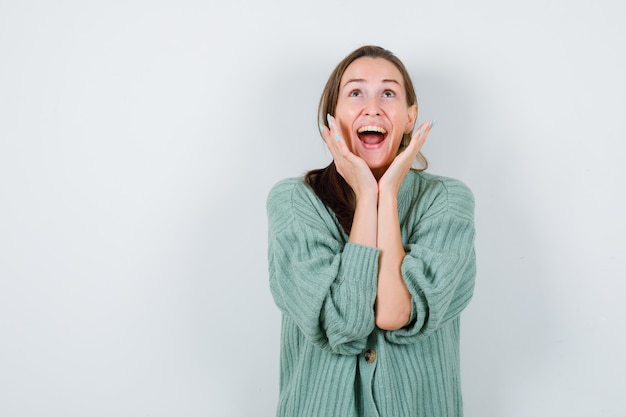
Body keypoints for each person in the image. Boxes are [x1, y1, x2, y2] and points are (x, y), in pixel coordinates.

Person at [266, 45, 476, 417]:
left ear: (410, 117)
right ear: (333, 116)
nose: (373, 107)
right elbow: (345, 325)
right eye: (356, 92)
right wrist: (367, 196)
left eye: (389, 93)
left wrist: (388, 196)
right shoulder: (293, 202)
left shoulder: (448, 202)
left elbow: (393, 315)